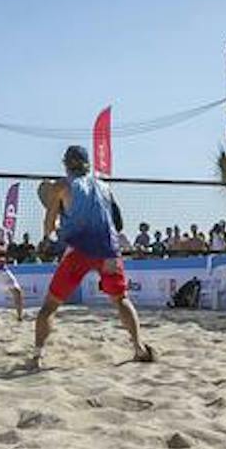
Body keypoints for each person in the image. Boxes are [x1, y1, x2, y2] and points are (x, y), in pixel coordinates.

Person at [30, 145, 153, 368]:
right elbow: (119, 223)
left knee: (49, 306)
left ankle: (36, 357)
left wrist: (50, 237)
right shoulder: (105, 187)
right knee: (122, 300)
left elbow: (48, 225)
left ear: (66, 164)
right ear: (87, 164)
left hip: (79, 250)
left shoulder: (62, 185)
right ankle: (138, 348)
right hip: (109, 251)